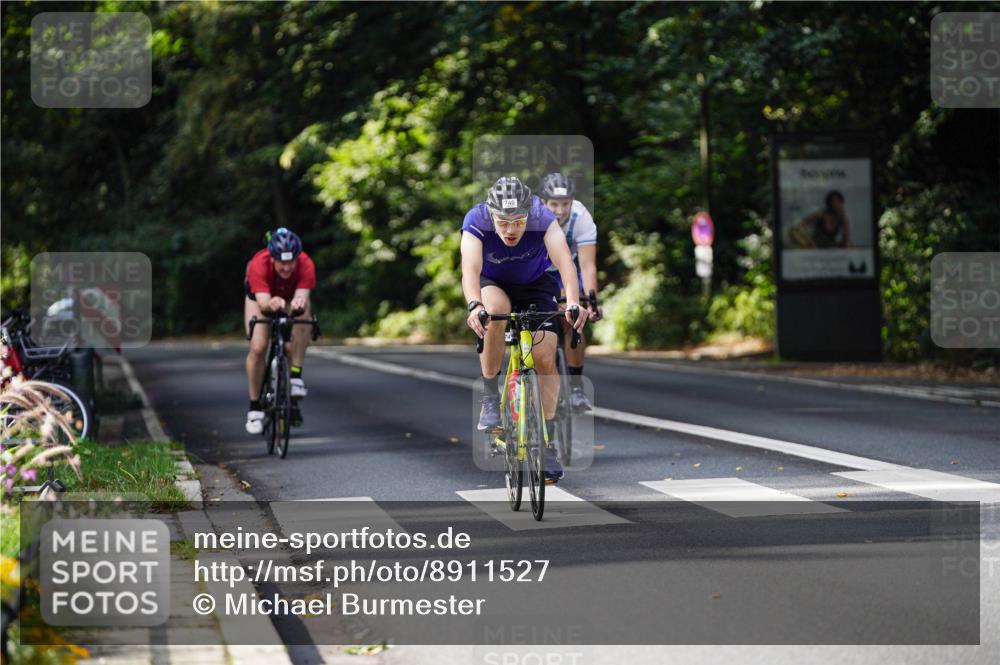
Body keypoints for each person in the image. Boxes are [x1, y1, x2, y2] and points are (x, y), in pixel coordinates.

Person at [462, 176, 587, 483]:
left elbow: (566, 264)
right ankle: (491, 395)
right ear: (492, 215)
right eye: (503, 222)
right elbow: (470, 268)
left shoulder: (542, 218)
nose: (510, 229)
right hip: (494, 284)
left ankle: (545, 443)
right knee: (495, 312)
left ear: (528, 215)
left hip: (535, 284)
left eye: (518, 221)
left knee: (545, 357)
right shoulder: (476, 219)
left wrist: (572, 301)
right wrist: (474, 305)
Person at [538, 172, 602, 411]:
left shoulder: (581, 216)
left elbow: (587, 265)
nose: (560, 210)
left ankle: (575, 388)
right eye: (554, 204)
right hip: (540, 271)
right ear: (543, 202)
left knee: (573, 317)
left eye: (565, 204)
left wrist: (592, 301)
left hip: (568, 271)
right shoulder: (533, 216)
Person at [244, 227, 316, 434]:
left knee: (303, 318)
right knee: (258, 347)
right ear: (272, 258)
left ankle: (295, 377)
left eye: (291, 262)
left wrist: (297, 305)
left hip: (289, 297)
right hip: (261, 298)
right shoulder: (259, 264)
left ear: (298, 257)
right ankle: (254, 408)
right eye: (281, 263)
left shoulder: (306, 264)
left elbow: (302, 297)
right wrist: (271, 303)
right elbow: (264, 304)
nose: (286, 267)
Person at [788, 190, 852, 249]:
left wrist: (844, 219)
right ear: (828, 203)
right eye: (832, 201)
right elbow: (802, 223)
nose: (835, 204)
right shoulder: (822, 213)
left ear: (841, 203)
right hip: (815, 244)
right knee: (793, 231)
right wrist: (808, 240)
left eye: (837, 201)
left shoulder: (842, 217)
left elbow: (846, 238)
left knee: (851, 245)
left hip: (830, 245)